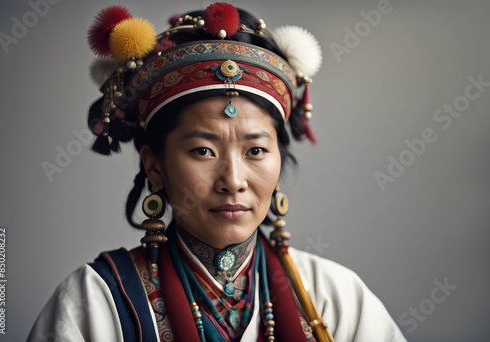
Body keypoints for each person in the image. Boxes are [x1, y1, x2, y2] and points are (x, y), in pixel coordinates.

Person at [28, 3, 406, 341]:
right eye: (203, 151)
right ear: (155, 166)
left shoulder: (336, 296)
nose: (234, 181)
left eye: (256, 150)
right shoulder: (96, 302)